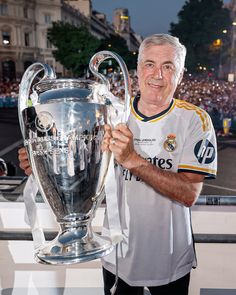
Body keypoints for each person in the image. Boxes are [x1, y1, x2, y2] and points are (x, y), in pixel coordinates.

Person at [18, 34, 217, 295]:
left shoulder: (195, 120)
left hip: (171, 257)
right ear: (137, 70)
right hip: (116, 254)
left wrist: (133, 160)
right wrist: (49, 167)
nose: (158, 75)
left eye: (168, 66)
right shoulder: (108, 114)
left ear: (180, 74)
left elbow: (189, 193)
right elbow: (82, 174)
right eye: (149, 64)